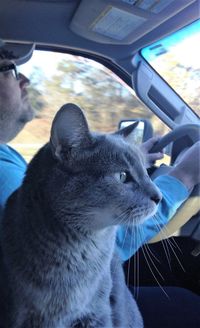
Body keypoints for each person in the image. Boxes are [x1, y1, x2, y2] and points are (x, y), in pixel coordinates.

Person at [0, 41, 199, 259]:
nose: (25, 79)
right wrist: (183, 176)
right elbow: (102, 248)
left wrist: (131, 162)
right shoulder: (3, 176)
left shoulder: (6, 153)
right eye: (9, 69)